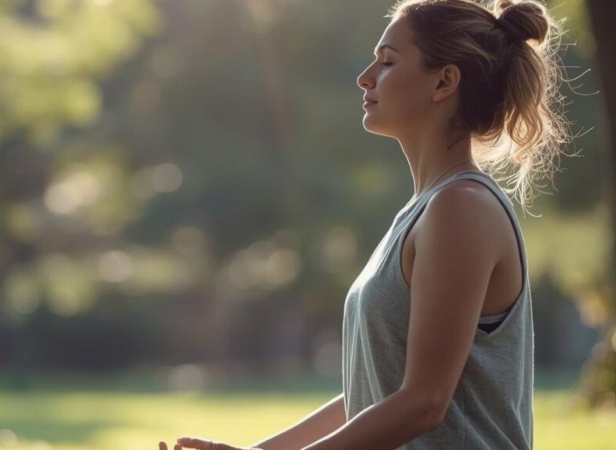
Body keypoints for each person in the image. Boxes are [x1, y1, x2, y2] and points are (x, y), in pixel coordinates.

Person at [159, 0, 570, 448]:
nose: (365, 77)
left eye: (387, 61)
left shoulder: (462, 208)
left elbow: (424, 402)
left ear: (444, 81)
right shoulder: (425, 210)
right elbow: (376, 392)